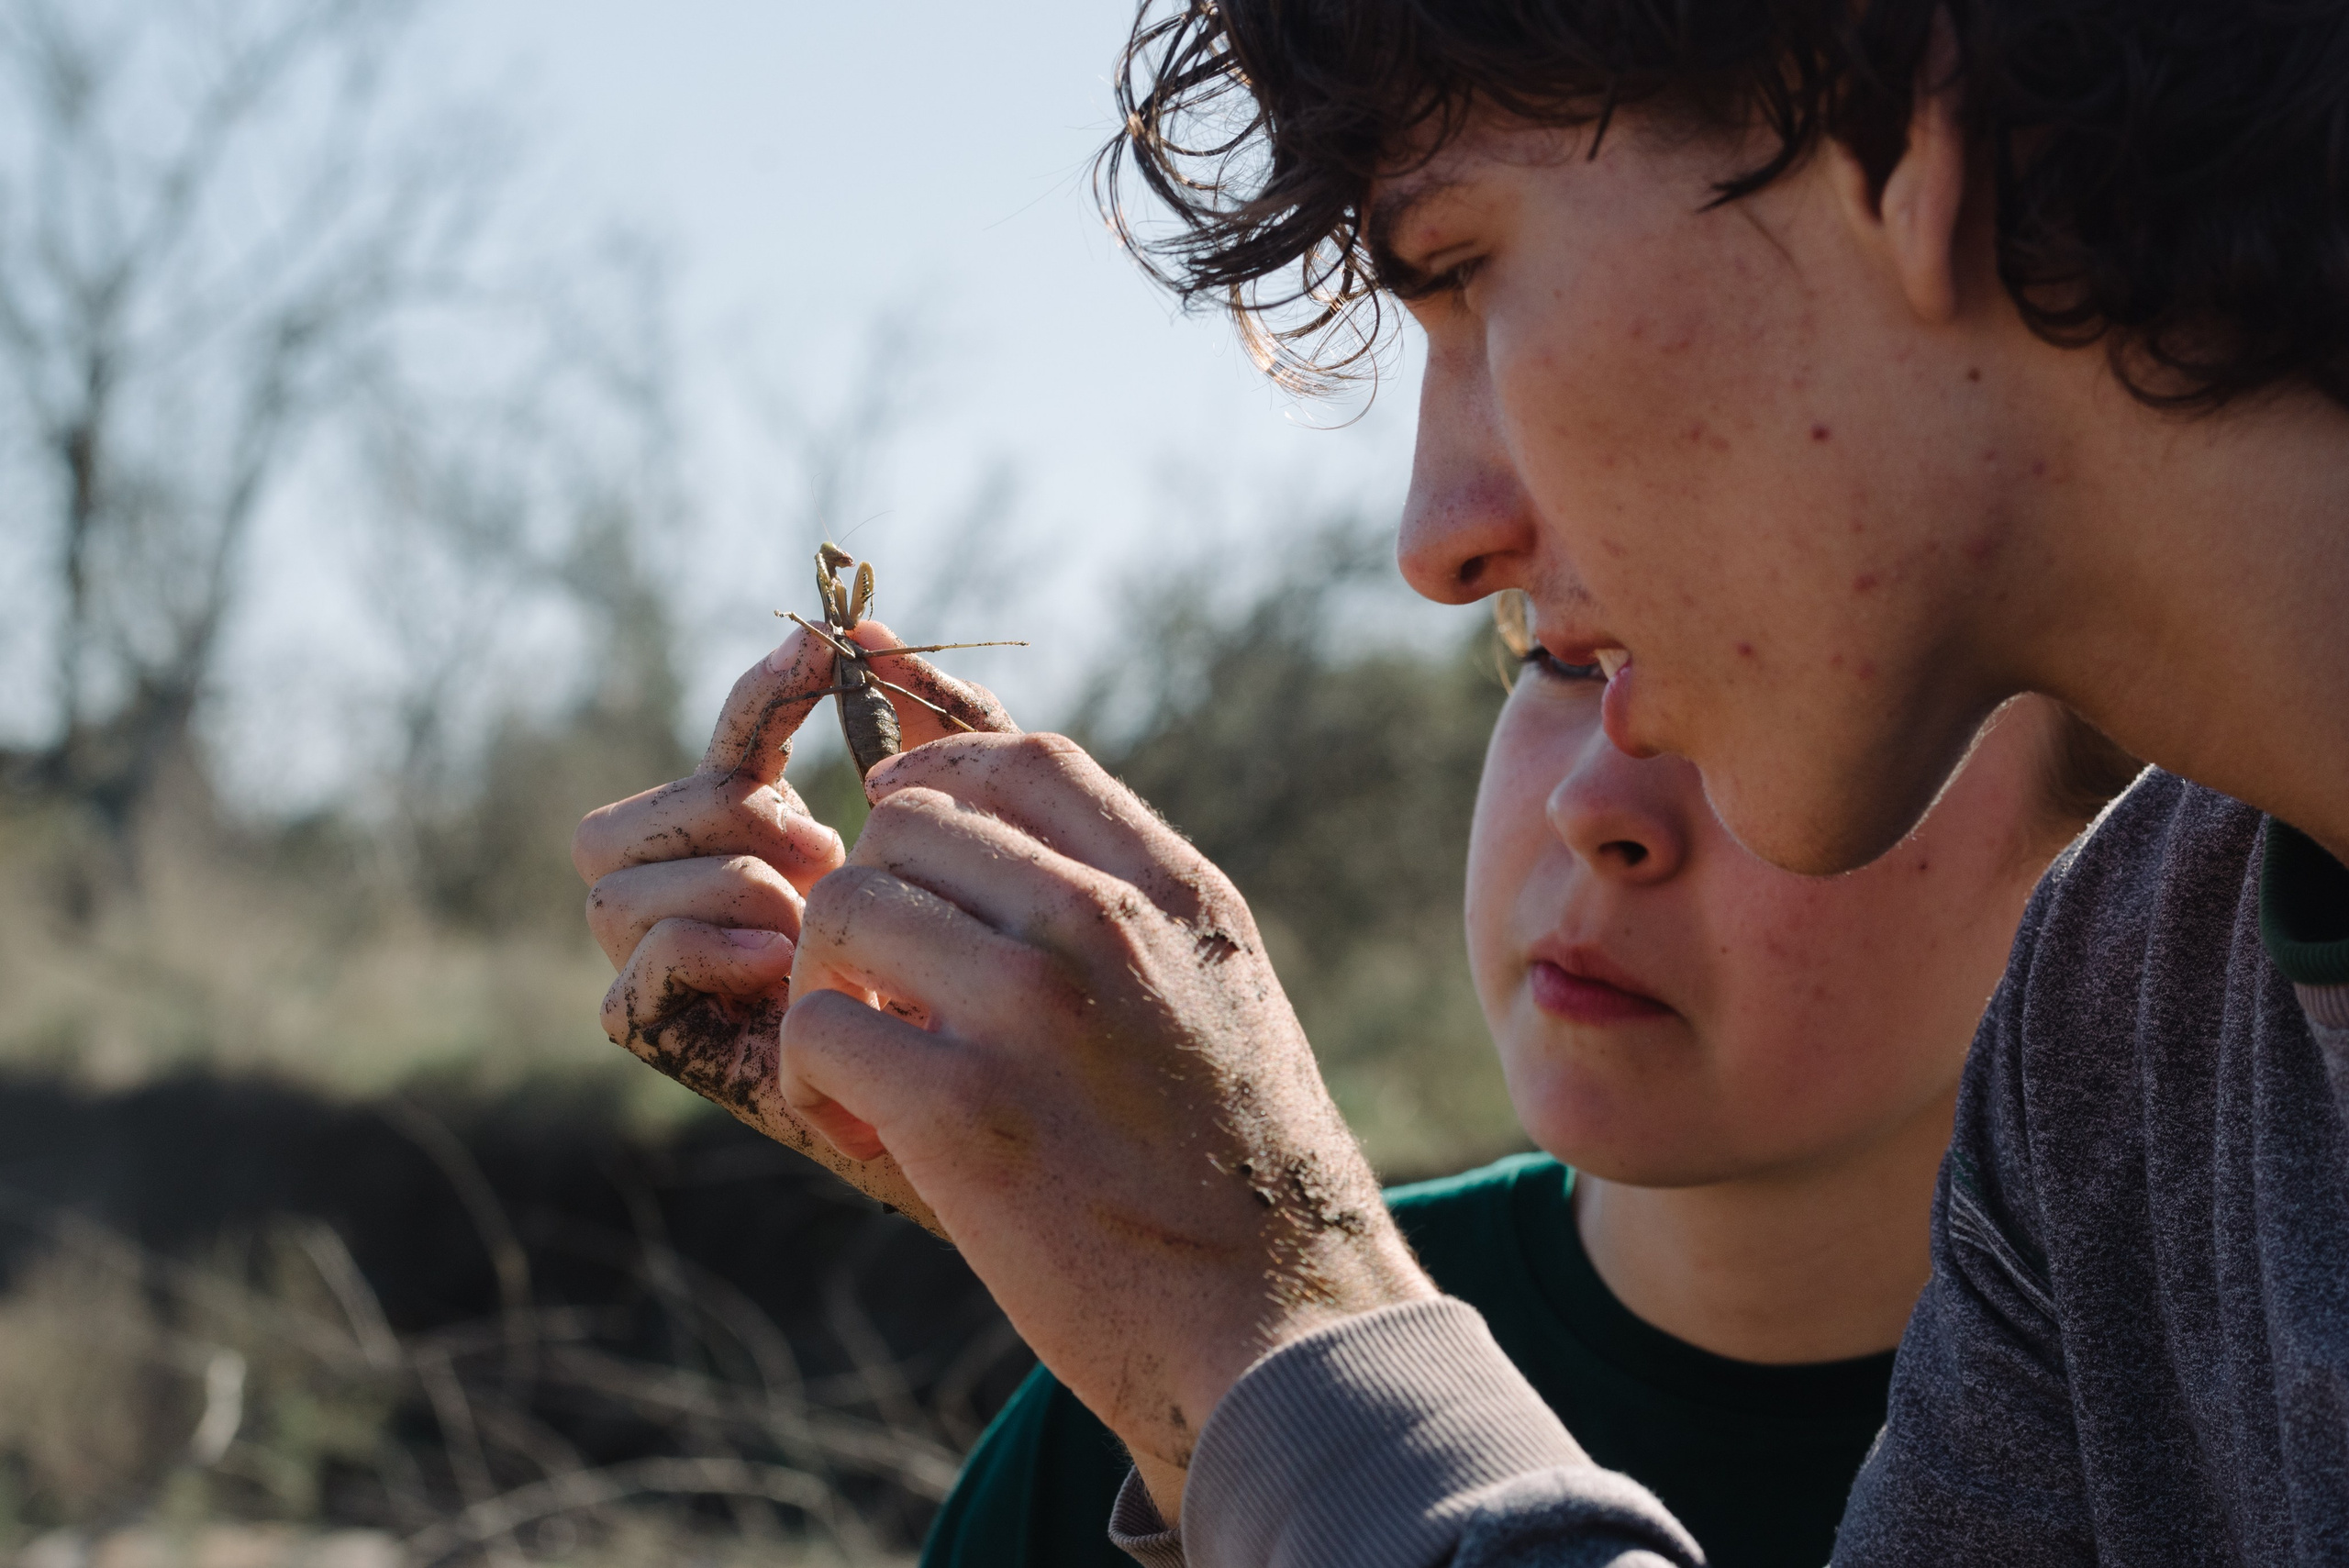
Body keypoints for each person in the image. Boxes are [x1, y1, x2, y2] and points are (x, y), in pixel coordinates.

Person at [578, 0, 2349, 1562]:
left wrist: (1275, 1335)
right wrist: (1174, 1329)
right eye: (1546, 677)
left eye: (1463, 268)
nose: (1437, 541)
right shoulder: (2125, 1011)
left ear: (1902, 124)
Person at [915, 595, 2135, 1568]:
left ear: (2119, 843)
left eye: (1792, 690)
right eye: (1562, 652)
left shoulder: (2205, 1447)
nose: (1591, 800)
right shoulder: (1166, 1377)